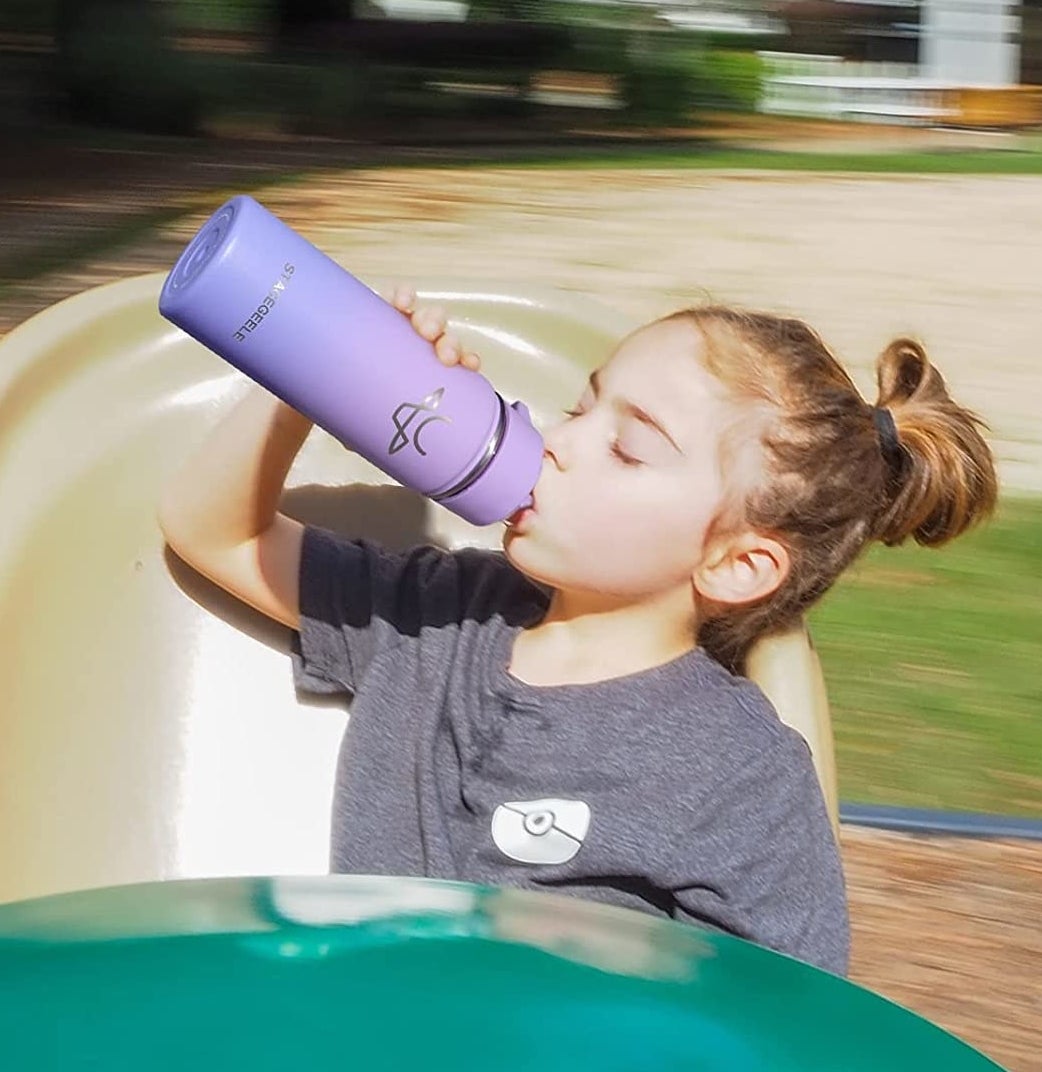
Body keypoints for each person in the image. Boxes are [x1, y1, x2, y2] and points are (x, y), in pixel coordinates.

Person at [159, 284, 997, 977]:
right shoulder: (432, 613)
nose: (557, 441)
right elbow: (214, 532)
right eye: (579, 406)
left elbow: (791, 1024)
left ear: (736, 565)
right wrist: (314, 378)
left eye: (628, 449)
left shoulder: (743, 776)